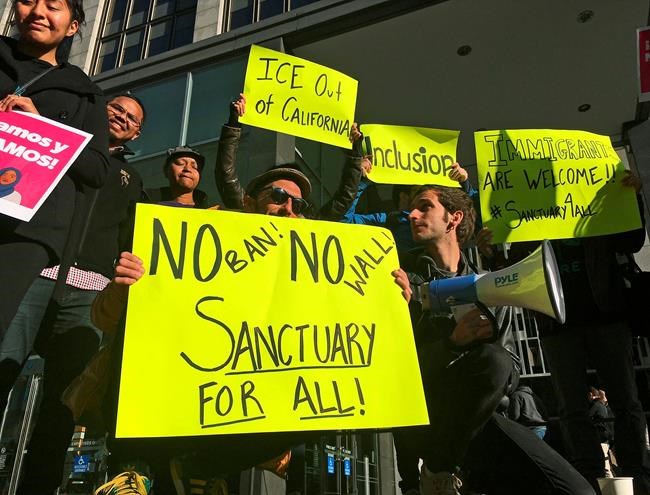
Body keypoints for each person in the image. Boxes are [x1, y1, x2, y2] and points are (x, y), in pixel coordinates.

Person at [393, 184, 593, 495]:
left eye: (425, 206)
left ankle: (446, 469)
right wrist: (452, 343)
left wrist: (485, 343)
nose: (412, 214)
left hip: (482, 420)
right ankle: (437, 470)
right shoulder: (404, 277)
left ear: (454, 218)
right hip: (431, 416)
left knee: (577, 491)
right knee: (493, 360)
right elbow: (397, 369)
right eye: (412, 208)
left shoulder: (491, 286)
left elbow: (511, 368)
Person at [4, 93, 146, 495]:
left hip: (88, 294)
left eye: (131, 118)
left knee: (63, 405)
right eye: (116, 108)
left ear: (137, 133)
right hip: (35, 275)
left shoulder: (132, 179)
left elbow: (132, 236)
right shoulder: (58, 142)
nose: (121, 117)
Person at [0, 0, 110, 341]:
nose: (38, 12)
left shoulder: (86, 93)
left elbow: (97, 169)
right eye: (28, 1)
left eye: (53, 6)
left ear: (73, 25)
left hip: (26, 229)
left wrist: (42, 129)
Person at [214, 94, 363, 220]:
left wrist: (355, 154)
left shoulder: (307, 232)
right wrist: (234, 123)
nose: (288, 209)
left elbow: (344, 200)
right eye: (278, 196)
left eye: (298, 205)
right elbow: (226, 175)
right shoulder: (245, 214)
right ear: (249, 204)